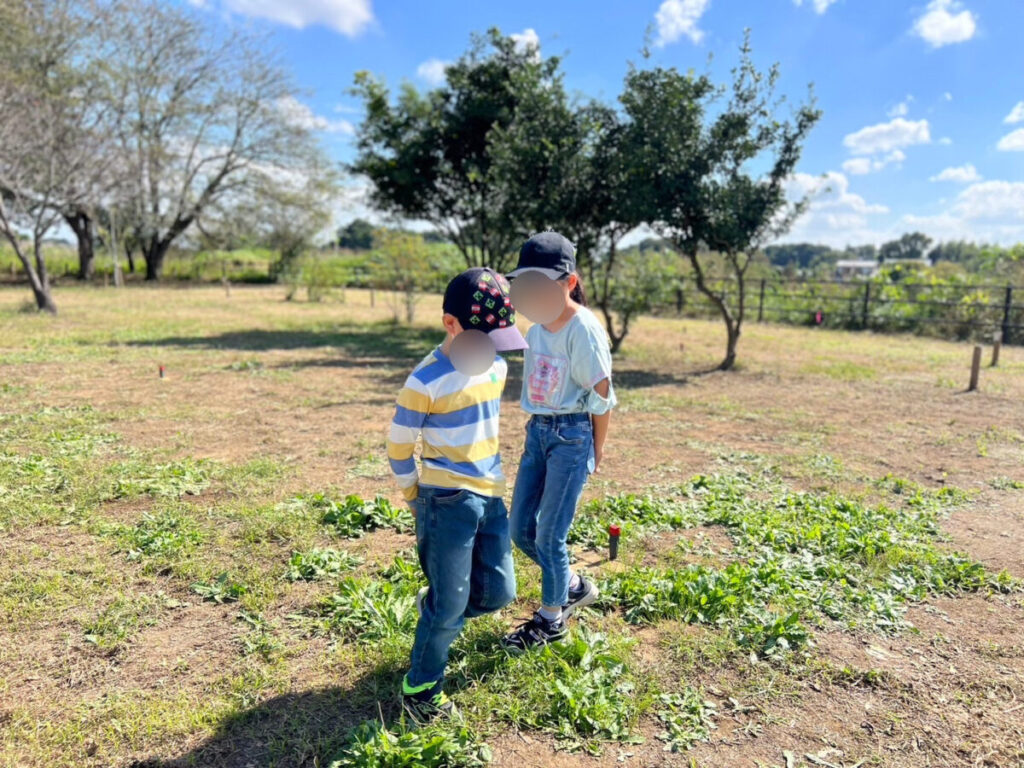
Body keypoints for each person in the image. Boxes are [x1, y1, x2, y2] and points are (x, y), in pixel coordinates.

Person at [386, 267, 528, 723]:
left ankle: (439, 618)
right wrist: (412, 495)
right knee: (449, 603)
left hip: (490, 496)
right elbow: (399, 445)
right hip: (446, 501)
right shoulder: (424, 381)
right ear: (452, 325)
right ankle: (420, 688)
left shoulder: (497, 367)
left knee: (500, 591)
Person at [501, 231, 617, 651]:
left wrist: (596, 449)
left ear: (568, 282)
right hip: (539, 433)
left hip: (572, 436)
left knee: (550, 534)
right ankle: (571, 584)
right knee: (520, 529)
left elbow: (602, 395)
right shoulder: (534, 330)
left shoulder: (582, 329)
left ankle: (552, 620)